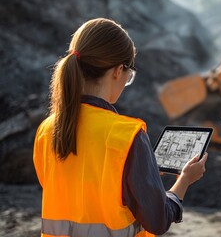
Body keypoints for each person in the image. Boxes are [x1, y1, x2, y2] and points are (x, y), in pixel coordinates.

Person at [33, 18, 208, 237]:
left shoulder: (47, 130)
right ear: (118, 71)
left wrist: (145, 173)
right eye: (129, 75)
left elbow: (79, 188)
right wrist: (184, 180)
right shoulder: (126, 136)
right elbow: (158, 220)